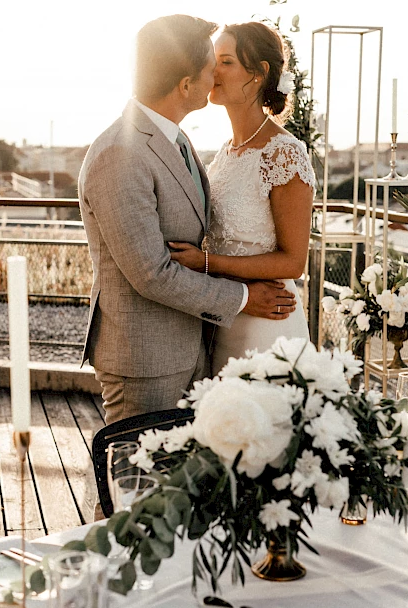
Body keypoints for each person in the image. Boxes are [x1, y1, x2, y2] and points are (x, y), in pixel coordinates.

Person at [79, 15, 297, 425]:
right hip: (145, 360)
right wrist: (245, 298)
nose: (215, 75)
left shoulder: (177, 139)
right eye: (211, 66)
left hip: (199, 346)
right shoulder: (119, 152)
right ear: (185, 85)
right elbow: (152, 274)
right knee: (134, 467)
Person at [168, 21, 316, 373]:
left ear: (258, 73)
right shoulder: (226, 152)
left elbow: (293, 262)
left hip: (267, 323)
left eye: (226, 61)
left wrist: (206, 263)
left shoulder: (284, 154)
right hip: (225, 318)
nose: (212, 69)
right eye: (213, 59)